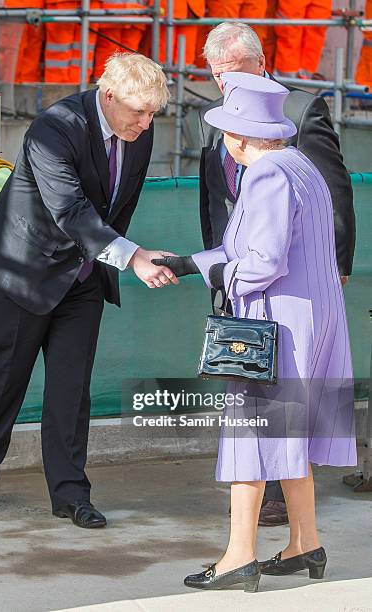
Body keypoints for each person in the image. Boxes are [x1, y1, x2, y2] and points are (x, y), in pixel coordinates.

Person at [0, 53, 177, 528]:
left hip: (84, 277)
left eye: (153, 112)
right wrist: (131, 256)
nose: (146, 122)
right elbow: (69, 209)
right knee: (1, 379)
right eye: (138, 111)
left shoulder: (139, 128)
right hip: (23, 270)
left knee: (71, 390)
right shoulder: (53, 127)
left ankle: (71, 494)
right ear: (108, 96)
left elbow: (121, 203)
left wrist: (109, 255)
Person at [153, 71, 357, 591]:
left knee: (251, 434)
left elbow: (259, 262)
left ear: (242, 136)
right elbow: (254, 249)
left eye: (226, 131)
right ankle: (305, 544)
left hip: (275, 323)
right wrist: (190, 263)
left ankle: (238, 557)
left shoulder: (264, 175)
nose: (224, 141)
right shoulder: (301, 166)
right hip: (314, 319)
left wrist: (219, 273)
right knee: (293, 434)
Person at [197, 21, 355, 527]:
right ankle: (294, 529)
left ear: (261, 65)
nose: (227, 84)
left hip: (287, 282)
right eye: (218, 75)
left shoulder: (300, 110)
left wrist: (335, 268)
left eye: (236, 72)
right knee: (258, 387)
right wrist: (213, 265)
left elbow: (333, 192)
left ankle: (262, 514)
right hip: (240, 274)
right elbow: (214, 199)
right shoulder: (217, 117)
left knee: (278, 396)